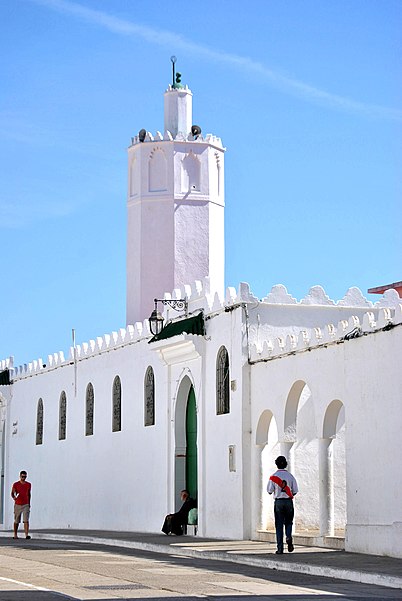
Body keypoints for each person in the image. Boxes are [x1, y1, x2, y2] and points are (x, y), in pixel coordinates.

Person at [267, 456, 298, 554]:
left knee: (279, 525)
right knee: (289, 522)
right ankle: (288, 536)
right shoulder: (290, 476)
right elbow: (295, 491)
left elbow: (269, 490)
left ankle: (280, 548)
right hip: (288, 501)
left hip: (279, 502)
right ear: (286, 464)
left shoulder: (273, 477)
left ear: (276, 464)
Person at [11, 470, 32, 540]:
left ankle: (26, 535)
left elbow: (29, 494)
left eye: (25, 476)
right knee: (17, 520)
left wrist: (29, 503)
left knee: (26, 520)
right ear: (20, 476)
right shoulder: (16, 484)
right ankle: (15, 534)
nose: (24, 478)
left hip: (25, 504)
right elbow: (12, 493)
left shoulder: (28, 484)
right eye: (22, 476)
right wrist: (14, 497)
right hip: (18, 504)